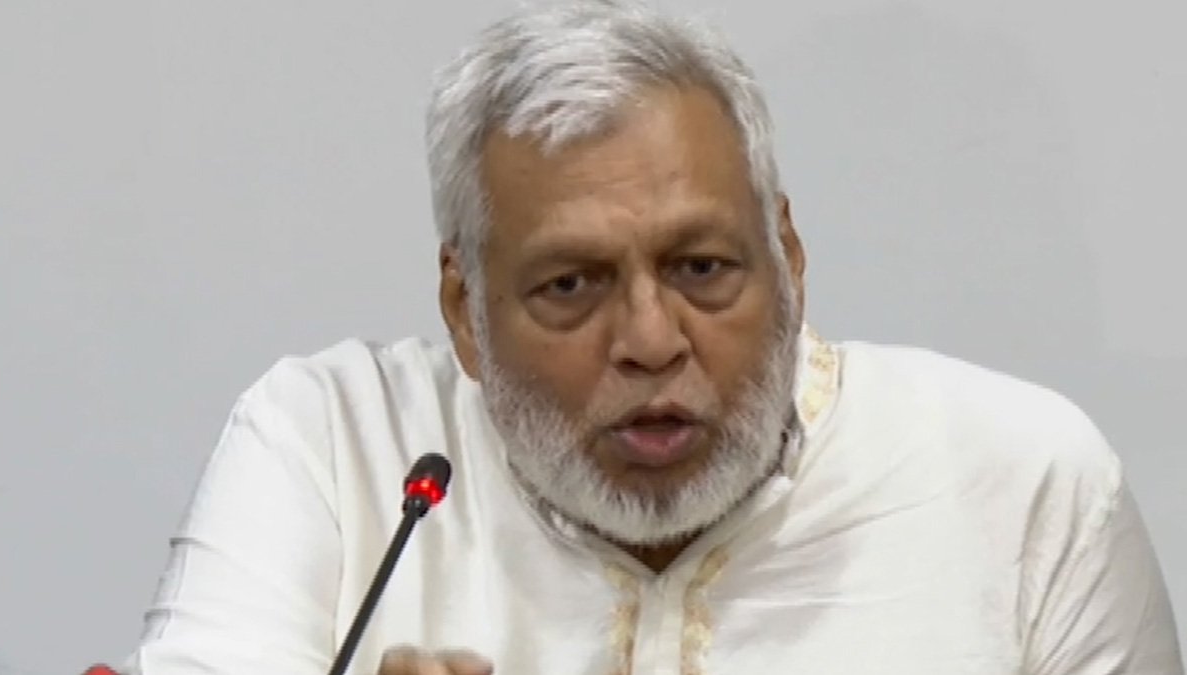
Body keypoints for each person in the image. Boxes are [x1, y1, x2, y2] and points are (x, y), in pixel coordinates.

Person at [121, 1, 1182, 673]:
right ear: (465, 312)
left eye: (702, 268)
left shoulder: (1023, 488)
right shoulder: (332, 449)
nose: (650, 340)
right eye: (570, 286)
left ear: (789, 256)